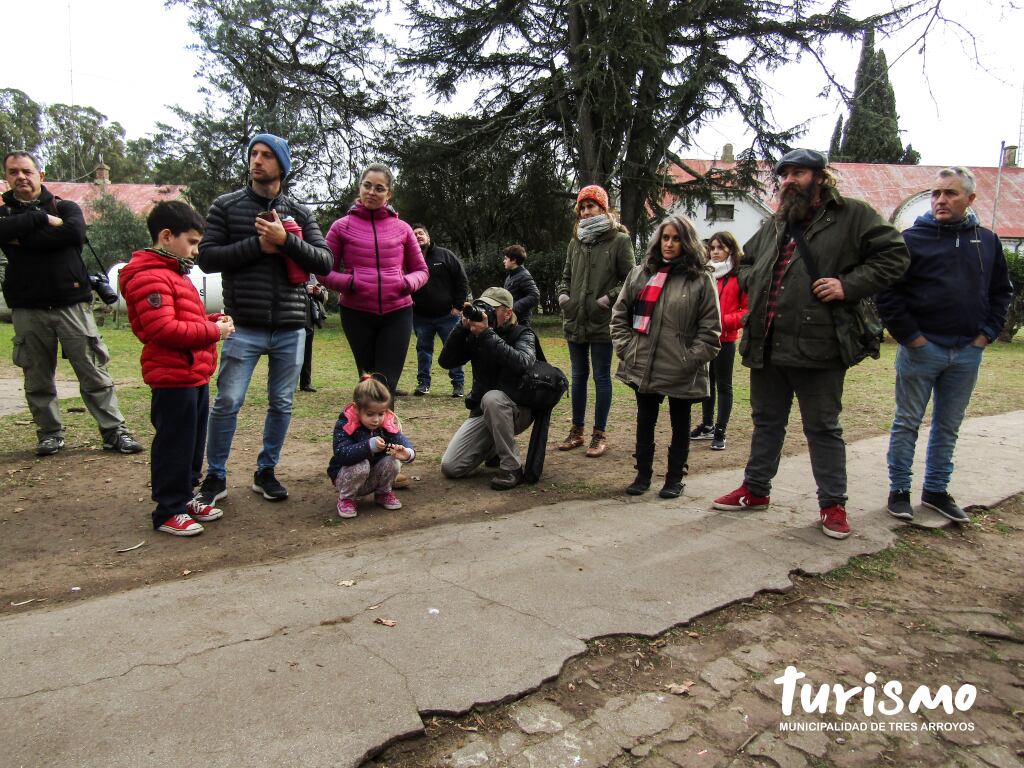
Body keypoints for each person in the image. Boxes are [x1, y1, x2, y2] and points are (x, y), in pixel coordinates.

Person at [712, 148, 909, 540]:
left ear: (820, 177)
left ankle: (832, 504)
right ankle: (755, 490)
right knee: (766, 423)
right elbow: (744, 262)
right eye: (784, 174)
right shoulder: (775, 223)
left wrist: (847, 285)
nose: (788, 180)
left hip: (819, 345)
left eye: (798, 173)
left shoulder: (852, 215)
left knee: (822, 428)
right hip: (766, 343)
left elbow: (896, 255)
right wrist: (752, 281)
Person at [196, 133, 333, 507]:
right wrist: (259, 245)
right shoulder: (226, 206)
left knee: (282, 403)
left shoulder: (301, 213)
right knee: (227, 401)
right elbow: (207, 257)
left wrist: (285, 240)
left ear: (282, 166)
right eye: (253, 154)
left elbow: (325, 262)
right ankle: (216, 476)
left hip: (291, 327)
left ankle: (266, 471)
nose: (257, 161)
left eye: (267, 155)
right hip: (244, 325)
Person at [876, 166, 1012, 523]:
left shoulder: (987, 240)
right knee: (907, 422)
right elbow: (888, 295)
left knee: (948, 426)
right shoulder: (911, 240)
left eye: (950, 193)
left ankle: (935, 490)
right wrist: (913, 339)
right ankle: (899, 491)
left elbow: (1001, 293)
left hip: (967, 351)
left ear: (970, 199)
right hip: (922, 350)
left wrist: (986, 335)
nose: (940, 200)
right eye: (936, 193)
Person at [0, 150, 143, 457]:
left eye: (26, 171)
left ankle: (114, 431)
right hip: (28, 306)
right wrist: (40, 220)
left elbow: (73, 233)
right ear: (7, 178)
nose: (20, 177)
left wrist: (23, 237)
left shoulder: (65, 207)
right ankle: (49, 434)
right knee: (37, 376)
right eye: (13, 172)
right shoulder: (4, 215)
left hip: (72, 304)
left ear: (41, 175)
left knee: (93, 370)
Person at [119, 201, 235, 536]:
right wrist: (214, 332)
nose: (197, 251)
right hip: (172, 378)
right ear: (167, 236)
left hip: (193, 374)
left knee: (193, 441)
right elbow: (163, 330)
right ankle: (168, 510)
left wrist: (212, 320)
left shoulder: (174, 273)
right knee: (175, 443)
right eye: (193, 242)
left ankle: (185, 497)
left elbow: (186, 320)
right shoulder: (149, 278)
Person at [611, 215, 721, 498]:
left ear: (687, 242)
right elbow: (619, 315)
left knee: (680, 423)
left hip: (680, 367)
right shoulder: (641, 273)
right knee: (645, 420)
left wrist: (689, 359)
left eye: (676, 238)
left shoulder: (700, 279)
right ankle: (642, 475)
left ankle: (674, 479)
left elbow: (710, 331)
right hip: (643, 363)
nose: (669, 244)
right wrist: (627, 348)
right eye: (665, 238)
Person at [320, 163, 429, 397]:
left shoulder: (403, 229)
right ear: (359, 188)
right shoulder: (341, 227)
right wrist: (349, 283)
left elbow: (421, 270)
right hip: (356, 313)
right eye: (367, 186)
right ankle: (367, 433)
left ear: (388, 194)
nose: (372, 192)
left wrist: (406, 283)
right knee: (368, 381)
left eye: (379, 188)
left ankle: (386, 433)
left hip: (397, 313)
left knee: (386, 384)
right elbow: (322, 269)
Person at [556, 185, 635, 458]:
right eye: (582, 207)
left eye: (591, 206)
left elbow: (630, 280)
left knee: (602, 377)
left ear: (604, 208)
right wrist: (564, 296)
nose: (586, 211)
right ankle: (576, 431)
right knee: (578, 377)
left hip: (603, 320)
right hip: (575, 318)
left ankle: (599, 433)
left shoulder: (619, 240)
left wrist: (607, 299)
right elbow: (565, 275)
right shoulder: (575, 240)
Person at [439, 287, 537, 490]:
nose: (486, 313)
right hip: (485, 411)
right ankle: (492, 448)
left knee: (492, 398)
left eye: (492, 308)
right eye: (482, 307)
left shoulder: (522, 333)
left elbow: (524, 363)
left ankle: (512, 468)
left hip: (518, 409)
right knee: (451, 467)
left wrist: (487, 335)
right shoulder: (476, 335)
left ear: (508, 312)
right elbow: (446, 361)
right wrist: (461, 328)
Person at [690, 231, 748, 451]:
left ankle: (720, 429)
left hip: (725, 339)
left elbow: (746, 310)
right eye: (712, 248)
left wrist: (723, 321)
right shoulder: (704, 274)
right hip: (704, 338)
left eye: (720, 248)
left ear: (730, 250)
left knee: (723, 385)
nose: (715, 252)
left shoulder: (739, 276)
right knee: (707, 383)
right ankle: (707, 425)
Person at [327, 374, 415, 519]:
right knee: (361, 465)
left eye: (381, 414)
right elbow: (341, 454)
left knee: (393, 461)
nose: (376, 419)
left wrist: (407, 452)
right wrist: (369, 446)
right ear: (357, 409)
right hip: (347, 477)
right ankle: (347, 498)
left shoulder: (385, 424)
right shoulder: (346, 425)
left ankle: (383, 493)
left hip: (373, 476)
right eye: (370, 414)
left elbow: (400, 438)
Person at [409, 223, 469, 397]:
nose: (418, 236)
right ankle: (423, 384)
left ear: (428, 237)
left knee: (453, 349)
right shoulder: (409, 259)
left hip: (447, 316)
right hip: (420, 317)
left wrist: (458, 306)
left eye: (421, 233)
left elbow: (461, 281)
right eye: (415, 234)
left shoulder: (445, 255)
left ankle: (458, 385)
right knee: (423, 351)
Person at [299, 276, 326, 393]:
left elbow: (325, 296)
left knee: (307, 351)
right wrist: (304, 290)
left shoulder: (313, 275)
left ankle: (305, 383)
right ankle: (283, 383)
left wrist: (319, 292)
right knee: (286, 352)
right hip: (290, 316)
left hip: (308, 319)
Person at [502, 244, 540, 326]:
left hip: (521, 321)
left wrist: (514, 308)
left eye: (506, 259)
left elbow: (535, 295)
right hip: (512, 320)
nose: (504, 261)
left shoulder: (524, 275)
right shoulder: (510, 276)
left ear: (513, 260)